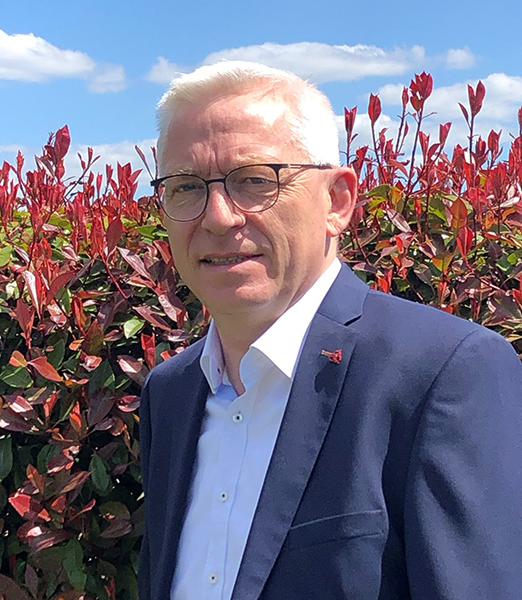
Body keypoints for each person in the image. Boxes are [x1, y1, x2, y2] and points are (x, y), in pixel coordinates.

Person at [138, 61, 522, 600]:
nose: (219, 217)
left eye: (253, 181)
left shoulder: (443, 374)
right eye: (185, 187)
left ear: (336, 201)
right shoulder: (169, 394)